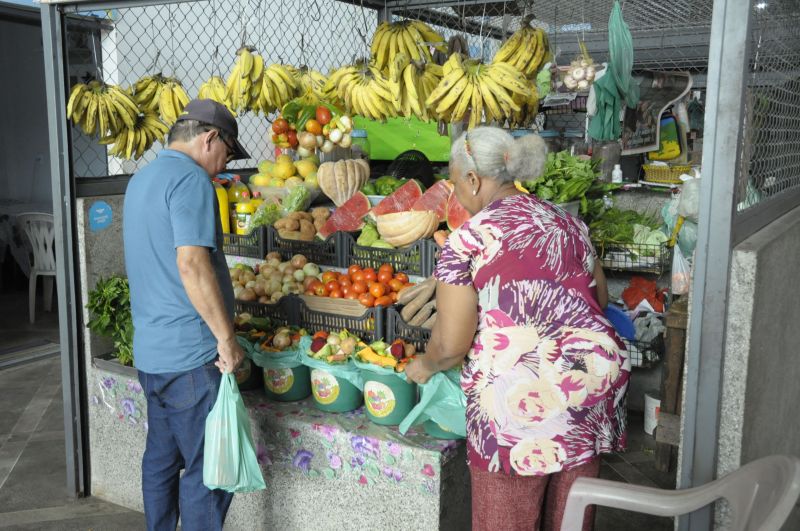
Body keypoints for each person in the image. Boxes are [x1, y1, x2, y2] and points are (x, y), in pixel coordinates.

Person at [405, 127, 629, 531]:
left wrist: (426, 365)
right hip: (588, 391)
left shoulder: (468, 240)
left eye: (456, 184)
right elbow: (601, 299)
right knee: (572, 521)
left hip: (519, 405)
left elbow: (452, 345)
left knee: (505, 521)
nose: (456, 195)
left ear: (473, 179)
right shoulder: (569, 223)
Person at [123, 99, 251, 530]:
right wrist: (226, 339)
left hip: (151, 354)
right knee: (208, 471)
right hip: (191, 358)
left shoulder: (142, 179)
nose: (223, 166)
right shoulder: (192, 180)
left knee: (160, 459)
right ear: (209, 137)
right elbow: (191, 264)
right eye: (228, 154)